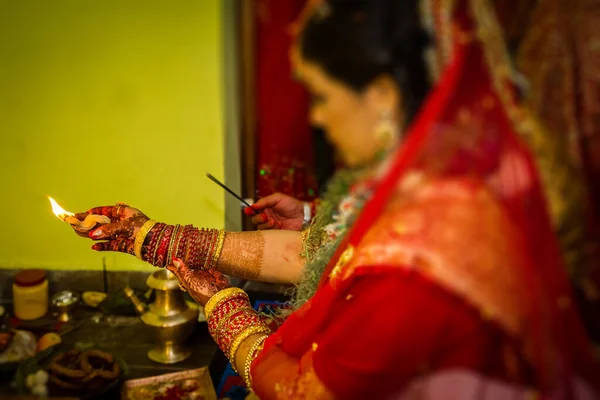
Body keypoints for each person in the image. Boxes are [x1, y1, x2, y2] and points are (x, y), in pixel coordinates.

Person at [73, 0, 599, 398]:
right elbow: (320, 248)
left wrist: (222, 307)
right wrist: (150, 237)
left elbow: (302, 389)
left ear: (383, 96)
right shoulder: (436, 181)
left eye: (322, 96)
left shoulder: (418, 267)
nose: (316, 119)